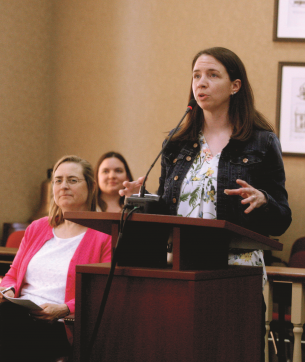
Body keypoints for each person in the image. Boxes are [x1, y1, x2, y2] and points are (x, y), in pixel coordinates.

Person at [120, 47, 292, 361]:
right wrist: (143, 199)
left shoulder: (261, 141)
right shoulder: (176, 143)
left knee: (231, 350)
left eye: (213, 75)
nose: (201, 83)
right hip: (180, 266)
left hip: (236, 270)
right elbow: (168, 210)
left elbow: (282, 217)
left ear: (235, 86)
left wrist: (264, 200)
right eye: (197, 75)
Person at [0, 155, 112, 361]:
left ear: (91, 186)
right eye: (58, 180)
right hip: (20, 314)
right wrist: (8, 289)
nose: (64, 186)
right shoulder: (37, 228)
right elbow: (13, 274)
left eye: (72, 180)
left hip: (61, 325)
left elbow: (102, 294)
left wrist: (64, 309)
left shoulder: (104, 236)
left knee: (6, 322)